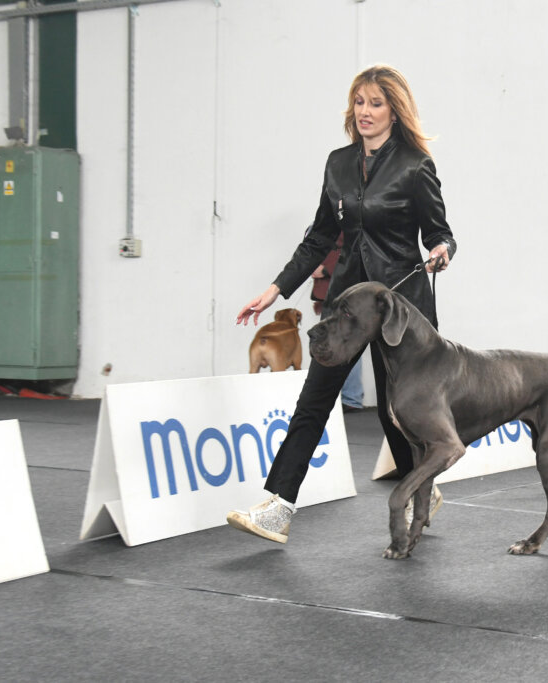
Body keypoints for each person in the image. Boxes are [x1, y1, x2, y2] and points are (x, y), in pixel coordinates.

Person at [227, 65, 455, 544]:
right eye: (359, 102)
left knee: (394, 410)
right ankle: (277, 509)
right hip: (347, 308)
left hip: (398, 308)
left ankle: (421, 485)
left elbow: (439, 231)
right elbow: (319, 237)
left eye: (375, 103)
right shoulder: (337, 163)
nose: (365, 112)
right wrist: (274, 290)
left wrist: (441, 251)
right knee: (314, 400)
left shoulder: (415, 165)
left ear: (394, 109)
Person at [310, 232, 363, 412]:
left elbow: (352, 250)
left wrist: (324, 270)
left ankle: (351, 397)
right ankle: (350, 397)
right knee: (343, 343)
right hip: (332, 293)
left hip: (341, 292)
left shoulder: (344, 222)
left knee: (346, 344)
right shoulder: (330, 222)